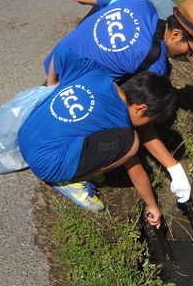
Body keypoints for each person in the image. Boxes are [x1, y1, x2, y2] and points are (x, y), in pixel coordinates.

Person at [43, 0, 193, 204]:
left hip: (56, 64)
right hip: (71, 91)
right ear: (176, 35)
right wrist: (173, 167)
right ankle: (72, 177)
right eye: (192, 51)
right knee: (124, 124)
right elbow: (139, 119)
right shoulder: (153, 65)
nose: (189, 57)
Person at [19, 47, 176, 226]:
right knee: (132, 143)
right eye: (150, 121)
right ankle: (71, 181)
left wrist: (52, 83)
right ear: (141, 108)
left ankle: (77, 165)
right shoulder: (121, 123)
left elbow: (61, 52)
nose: (147, 126)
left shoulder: (94, 71)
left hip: (25, 134)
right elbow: (136, 171)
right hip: (46, 164)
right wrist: (152, 206)